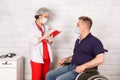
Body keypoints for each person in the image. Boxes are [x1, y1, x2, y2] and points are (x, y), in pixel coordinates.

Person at [29, 7, 53, 80]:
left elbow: (50, 42)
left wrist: (50, 39)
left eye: (47, 17)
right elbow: (33, 41)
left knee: (45, 77)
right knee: (36, 77)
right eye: (45, 16)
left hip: (47, 56)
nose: (47, 19)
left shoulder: (46, 26)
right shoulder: (31, 26)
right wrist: (44, 37)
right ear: (40, 16)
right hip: (37, 56)